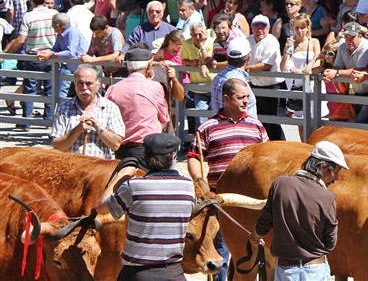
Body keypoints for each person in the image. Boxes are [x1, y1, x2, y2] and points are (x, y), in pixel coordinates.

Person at [189, 78, 267, 281]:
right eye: (241, 97)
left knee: (253, 248)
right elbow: (194, 157)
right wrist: (198, 178)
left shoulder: (257, 126)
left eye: (248, 97)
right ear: (226, 98)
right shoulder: (208, 127)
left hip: (250, 201)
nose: (246, 101)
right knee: (220, 248)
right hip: (220, 200)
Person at [97, 133, 195, 281]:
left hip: (138, 274)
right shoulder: (187, 186)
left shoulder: (134, 186)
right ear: (174, 156)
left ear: (145, 157)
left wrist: (122, 174)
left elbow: (101, 207)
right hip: (173, 272)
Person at [249, 141, 348, 281]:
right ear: (324, 168)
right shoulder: (327, 198)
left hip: (285, 272)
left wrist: (254, 237)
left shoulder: (280, 184)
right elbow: (330, 242)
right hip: (316, 271)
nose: (336, 178)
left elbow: (264, 223)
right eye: (336, 171)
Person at [105, 46, 170, 163]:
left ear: (127, 66)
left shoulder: (113, 89)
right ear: (149, 67)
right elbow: (164, 118)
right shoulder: (154, 87)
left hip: (121, 149)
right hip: (148, 148)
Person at [3, 0, 58, 127]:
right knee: (50, 89)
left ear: (32, 2)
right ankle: (48, 120)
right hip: (51, 55)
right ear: (44, 1)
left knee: (29, 89)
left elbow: (21, 39)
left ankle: (25, 123)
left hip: (33, 56)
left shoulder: (29, 16)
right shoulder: (54, 14)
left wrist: (6, 53)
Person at [50, 64, 125, 159]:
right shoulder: (64, 108)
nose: (84, 88)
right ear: (75, 84)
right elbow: (57, 147)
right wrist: (77, 130)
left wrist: (99, 128)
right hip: (71, 168)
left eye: (89, 83)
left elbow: (116, 145)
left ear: (98, 85)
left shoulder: (110, 108)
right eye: (80, 83)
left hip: (98, 170)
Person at [36, 13, 89, 108]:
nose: (51, 26)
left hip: (80, 66)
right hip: (68, 66)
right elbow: (56, 48)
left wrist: (51, 54)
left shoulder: (72, 32)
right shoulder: (60, 34)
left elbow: (70, 53)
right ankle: (60, 114)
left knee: (81, 92)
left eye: (52, 24)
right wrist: (45, 53)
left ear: (58, 25)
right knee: (60, 93)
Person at [246, 14, 286, 140]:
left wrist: (245, 69)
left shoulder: (271, 40)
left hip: (271, 86)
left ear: (268, 28)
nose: (259, 29)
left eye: (262, 26)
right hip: (254, 85)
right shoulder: (248, 40)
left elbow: (267, 65)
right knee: (258, 120)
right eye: (256, 26)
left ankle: (281, 145)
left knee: (272, 121)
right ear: (252, 28)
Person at [322, 22, 368, 101]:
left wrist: (336, 73)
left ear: (360, 36)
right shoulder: (342, 46)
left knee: (364, 114)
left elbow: (358, 71)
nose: (349, 40)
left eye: (352, 37)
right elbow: (336, 67)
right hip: (356, 92)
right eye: (347, 37)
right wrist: (328, 73)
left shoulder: (367, 47)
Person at [210, 37, 257, 117]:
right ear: (248, 58)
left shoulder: (218, 78)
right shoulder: (239, 83)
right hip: (239, 128)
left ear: (228, 57)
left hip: (219, 127)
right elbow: (247, 113)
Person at [180, 21, 215, 128]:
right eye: (194, 35)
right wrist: (190, 62)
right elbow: (183, 59)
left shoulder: (211, 42)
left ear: (205, 32)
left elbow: (208, 61)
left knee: (215, 118)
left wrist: (202, 46)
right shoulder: (186, 43)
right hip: (197, 87)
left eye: (200, 34)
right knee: (200, 120)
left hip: (213, 85)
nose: (197, 37)